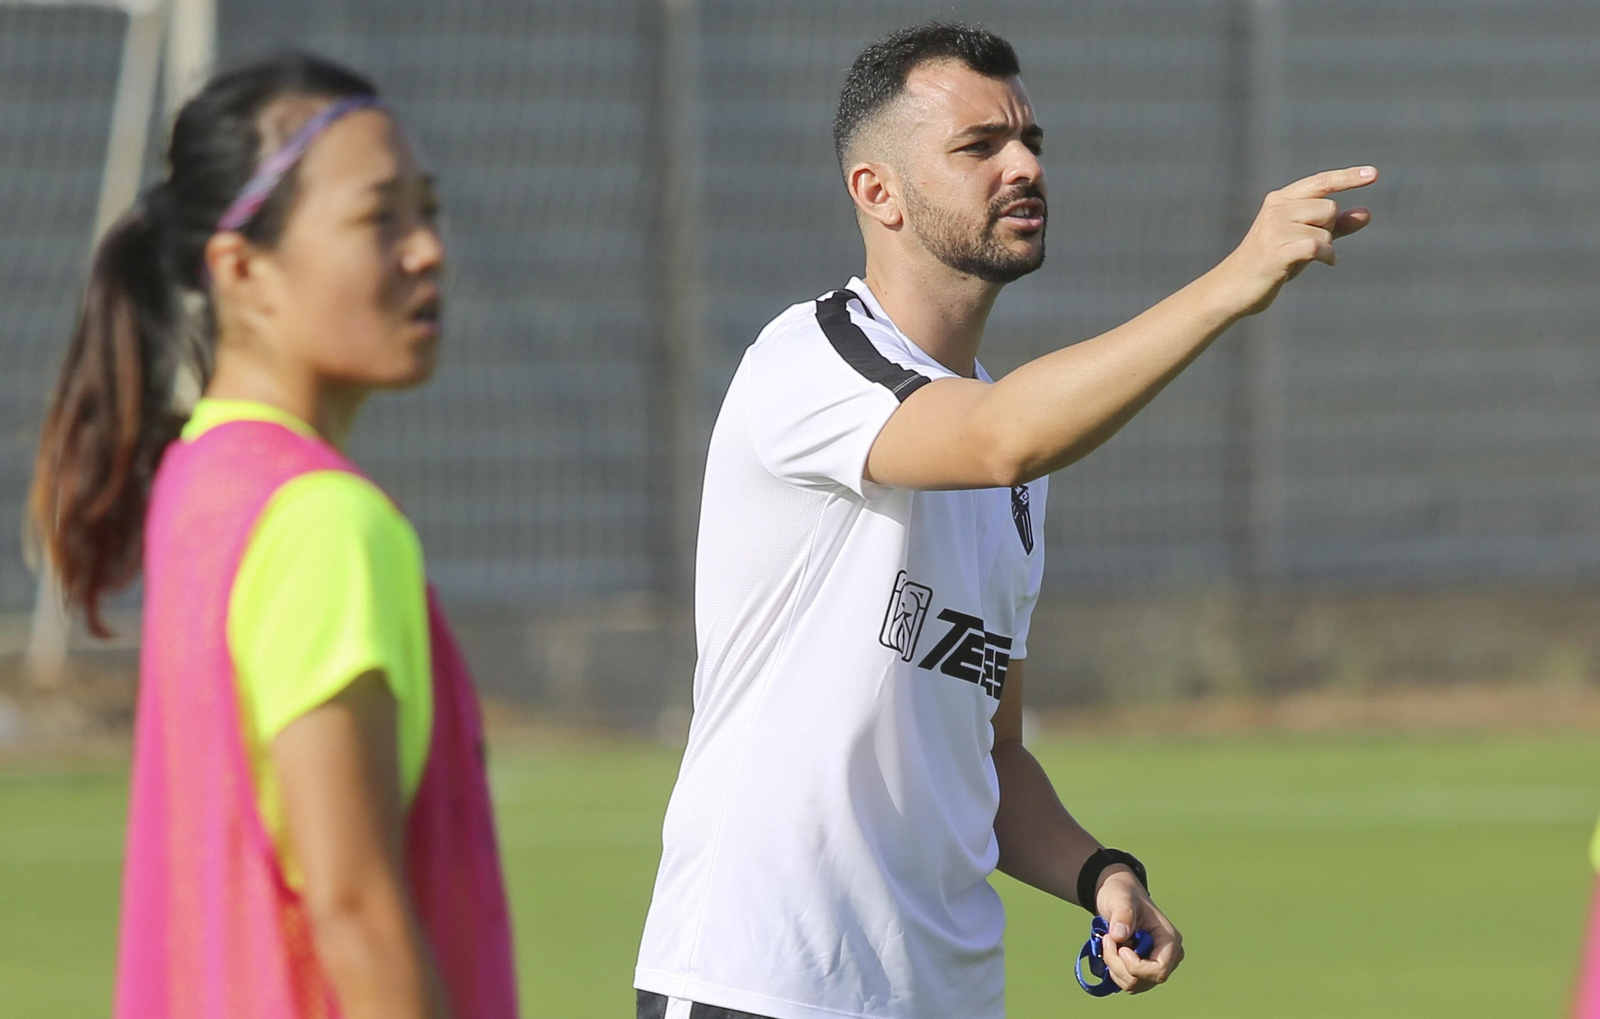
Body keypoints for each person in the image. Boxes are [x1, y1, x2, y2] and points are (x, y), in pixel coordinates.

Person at [634, 21, 1375, 1019]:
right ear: (877, 192)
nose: (1022, 164)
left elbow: (991, 752)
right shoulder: (808, 362)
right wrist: (1232, 280)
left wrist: (1099, 873)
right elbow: (1000, 437)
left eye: (1028, 140)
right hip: (759, 986)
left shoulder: (1015, 444)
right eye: (977, 146)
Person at [29, 53, 517, 1019]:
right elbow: (354, 909)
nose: (427, 249)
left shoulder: (204, 475)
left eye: (428, 207)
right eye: (380, 217)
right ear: (241, 268)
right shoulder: (323, 517)